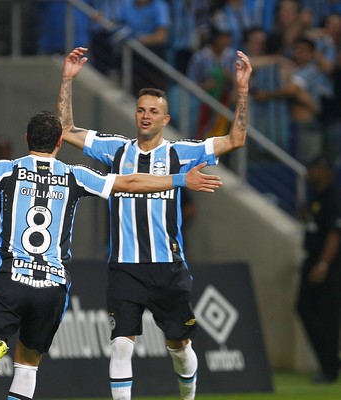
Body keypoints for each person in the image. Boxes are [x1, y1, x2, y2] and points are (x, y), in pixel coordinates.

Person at [0, 110, 222, 399]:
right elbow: (130, 183)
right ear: (60, 142)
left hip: (12, 278)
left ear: (27, 139)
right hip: (52, 286)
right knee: (27, 366)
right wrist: (180, 180)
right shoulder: (75, 175)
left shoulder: (7, 169)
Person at [58, 46, 252, 400]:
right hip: (124, 268)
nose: (146, 116)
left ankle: (188, 395)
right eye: (141, 110)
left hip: (168, 269)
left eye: (154, 112)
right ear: (135, 115)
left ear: (165, 119)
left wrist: (242, 91)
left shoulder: (180, 153)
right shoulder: (114, 149)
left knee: (179, 347)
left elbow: (236, 139)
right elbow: (66, 130)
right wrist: (67, 80)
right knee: (120, 346)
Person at [296, 155, 341, 384]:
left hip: (328, 266)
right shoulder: (315, 195)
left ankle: (330, 367)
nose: (309, 173)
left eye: (313, 168)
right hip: (311, 259)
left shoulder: (334, 194)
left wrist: (323, 264)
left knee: (328, 316)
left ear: (325, 171)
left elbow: (335, 232)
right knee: (303, 308)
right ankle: (329, 361)